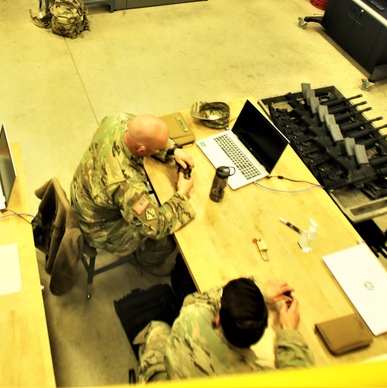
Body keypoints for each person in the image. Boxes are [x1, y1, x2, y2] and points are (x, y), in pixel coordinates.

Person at [70, 113, 195, 273]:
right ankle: (147, 260)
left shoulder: (115, 121)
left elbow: (138, 127)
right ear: (142, 149)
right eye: (158, 149)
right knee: (168, 238)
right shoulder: (127, 185)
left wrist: (173, 150)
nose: (160, 150)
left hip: (83, 191)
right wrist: (182, 194)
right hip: (97, 225)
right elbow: (156, 226)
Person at [136, 277, 314, 382]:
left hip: (171, 376)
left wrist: (259, 290)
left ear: (218, 319)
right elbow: (302, 377)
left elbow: (201, 299)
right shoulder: (252, 377)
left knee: (158, 328)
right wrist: (289, 331)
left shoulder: (191, 317)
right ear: (263, 328)